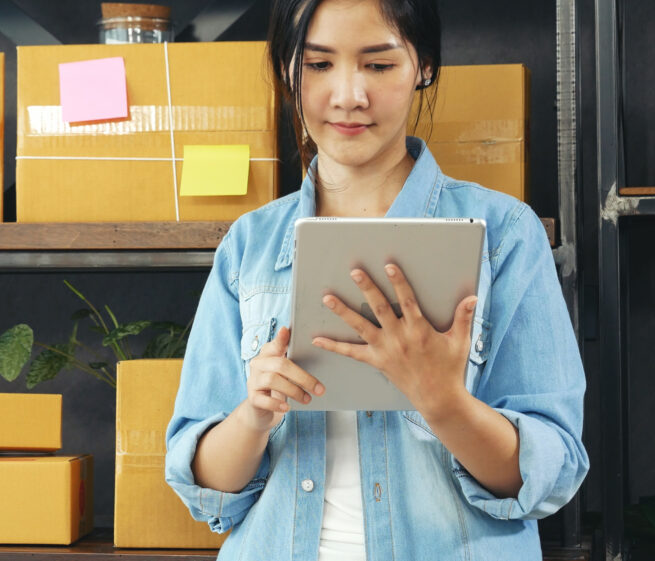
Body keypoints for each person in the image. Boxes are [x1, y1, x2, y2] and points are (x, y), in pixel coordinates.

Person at [164, 0, 589, 559]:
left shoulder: (504, 235)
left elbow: (550, 476)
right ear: (288, 71)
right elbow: (207, 491)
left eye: (379, 65)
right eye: (318, 65)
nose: (348, 96)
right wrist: (255, 415)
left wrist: (442, 401)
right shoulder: (249, 244)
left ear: (424, 67)